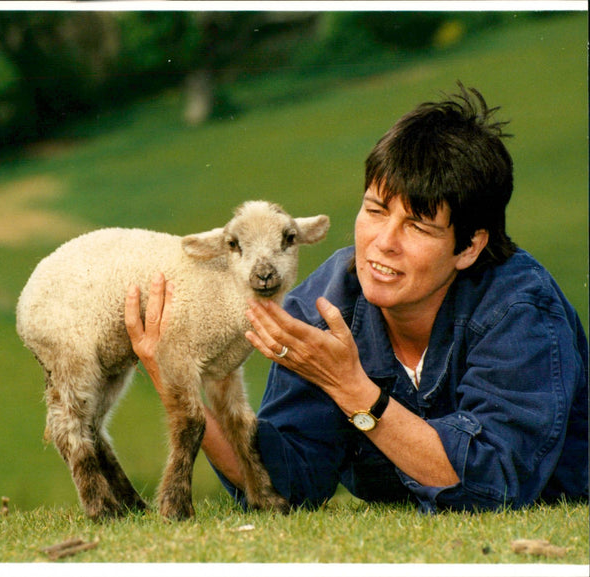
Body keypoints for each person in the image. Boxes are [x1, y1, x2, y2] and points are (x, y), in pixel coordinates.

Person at [125, 83, 588, 513]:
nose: (383, 242)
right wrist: (178, 385)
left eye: (418, 226)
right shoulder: (328, 302)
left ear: (468, 246)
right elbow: (288, 483)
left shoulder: (519, 310)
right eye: (375, 210)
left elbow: (493, 485)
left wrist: (353, 390)